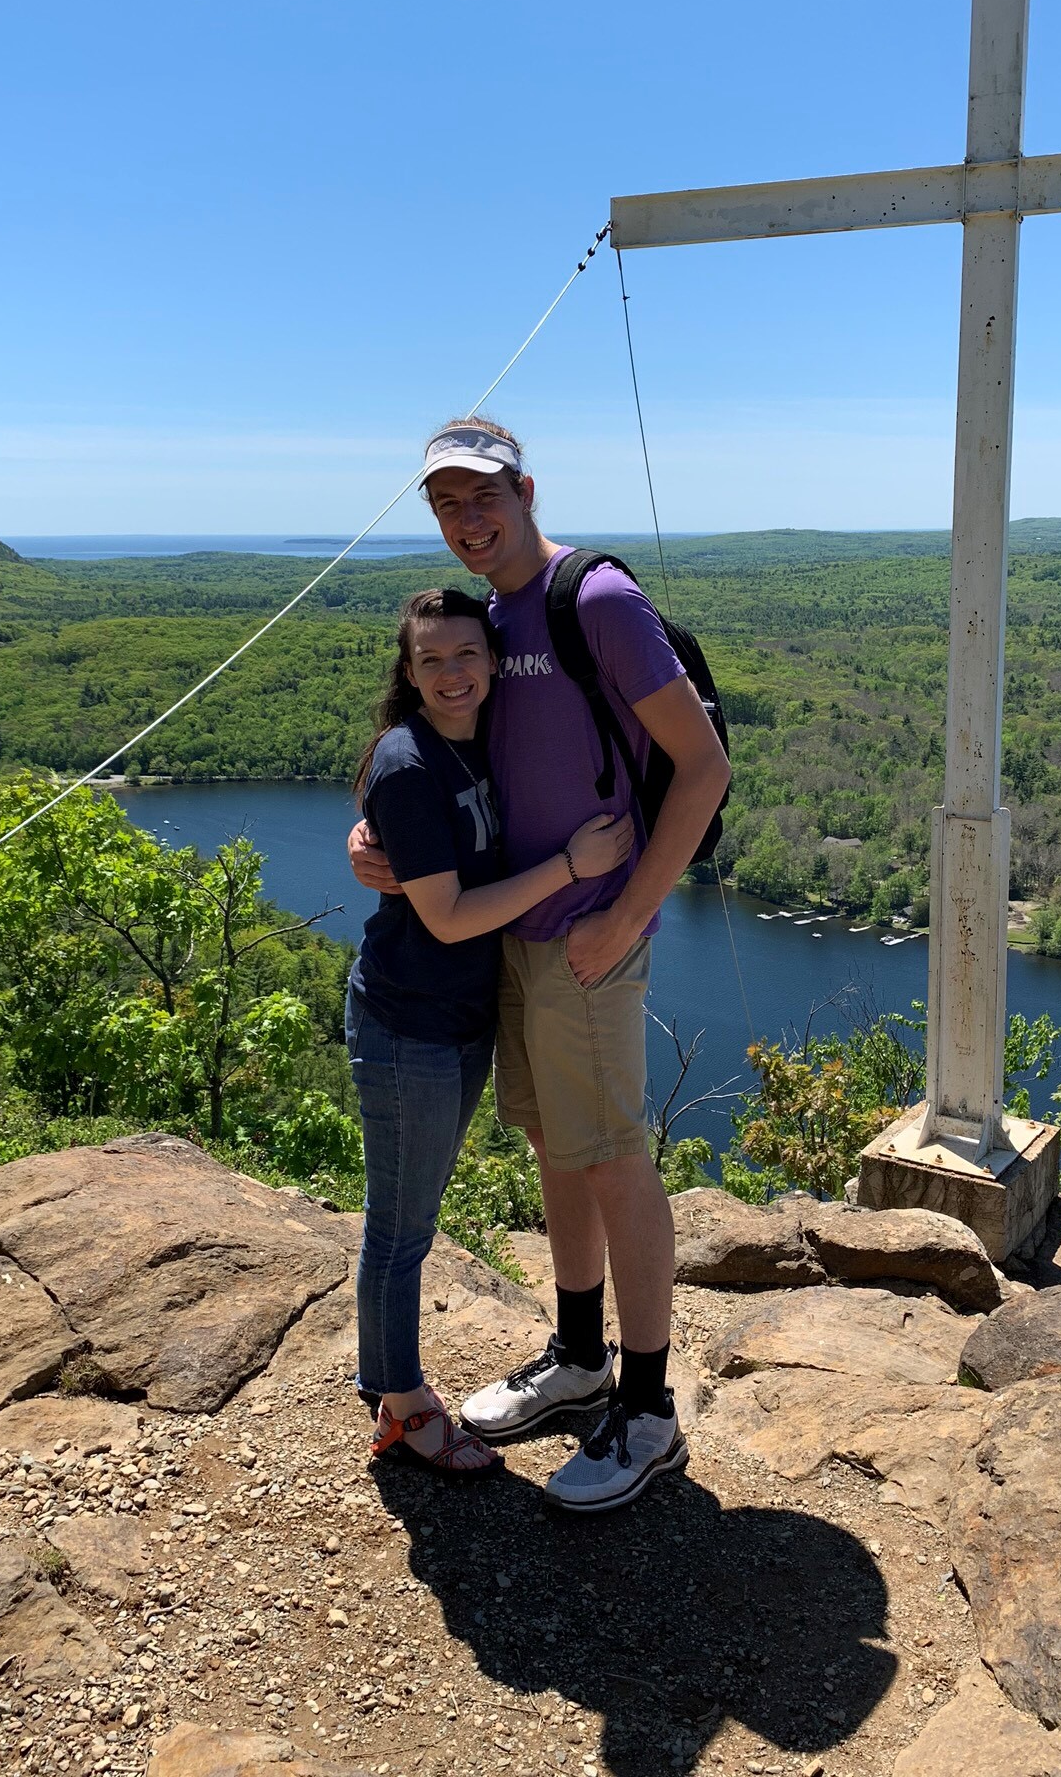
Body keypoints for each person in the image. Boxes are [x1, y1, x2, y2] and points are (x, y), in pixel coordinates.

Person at [350, 421, 732, 1513]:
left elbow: (703, 768)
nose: (468, 520)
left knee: (611, 1158)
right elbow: (447, 756)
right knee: (557, 1146)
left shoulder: (592, 599)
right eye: (446, 505)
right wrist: (380, 840)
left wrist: (626, 917)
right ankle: (578, 1356)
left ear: (525, 491)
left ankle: (647, 1411)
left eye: (484, 497)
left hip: (589, 939)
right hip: (516, 939)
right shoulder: (487, 618)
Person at [348, 585, 633, 1479]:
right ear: (408, 671)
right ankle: (402, 1405)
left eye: (467, 653)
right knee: (402, 1225)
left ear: (494, 661)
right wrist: (571, 867)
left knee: (410, 1215)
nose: (452, 673)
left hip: (462, 1018)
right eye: (430, 659)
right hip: (410, 1023)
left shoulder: (484, 741)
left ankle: (396, 1388)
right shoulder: (408, 761)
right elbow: (448, 917)